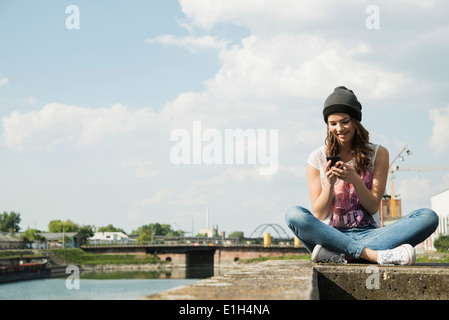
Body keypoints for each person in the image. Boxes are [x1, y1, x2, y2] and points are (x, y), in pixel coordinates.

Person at [285, 86, 439, 265]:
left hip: (370, 233)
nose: (339, 128)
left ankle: (340, 255)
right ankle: (372, 255)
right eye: (332, 123)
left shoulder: (378, 153)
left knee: (428, 217)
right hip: (331, 234)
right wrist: (329, 183)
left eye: (345, 121)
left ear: (356, 121)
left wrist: (356, 180)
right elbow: (319, 214)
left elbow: (373, 207)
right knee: (293, 214)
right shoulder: (316, 157)